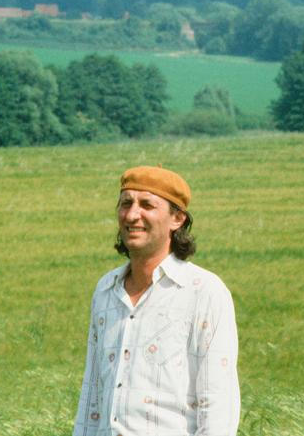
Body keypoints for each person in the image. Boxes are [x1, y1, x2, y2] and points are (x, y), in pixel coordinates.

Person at [73, 166, 240, 436]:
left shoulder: (204, 292)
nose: (132, 215)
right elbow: (92, 392)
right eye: (125, 203)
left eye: (147, 205)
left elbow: (218, 403)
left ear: (177, 218)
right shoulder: (106, 290)